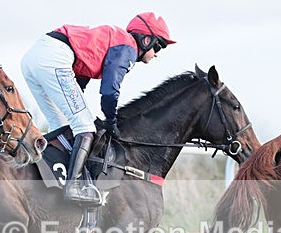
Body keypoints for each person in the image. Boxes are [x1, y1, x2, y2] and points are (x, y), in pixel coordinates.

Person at [21, 12, 175, 205]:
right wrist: (111, 121)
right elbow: (110, 91)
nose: (157, 53)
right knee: (85, 126)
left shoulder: (114, 40)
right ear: (146, 40)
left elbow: (79, 81)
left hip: (34, 58)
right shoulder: (128, 47)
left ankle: (39, 172)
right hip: (53, 57)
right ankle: (73, 186)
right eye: (158, 46)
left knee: (61, 126)